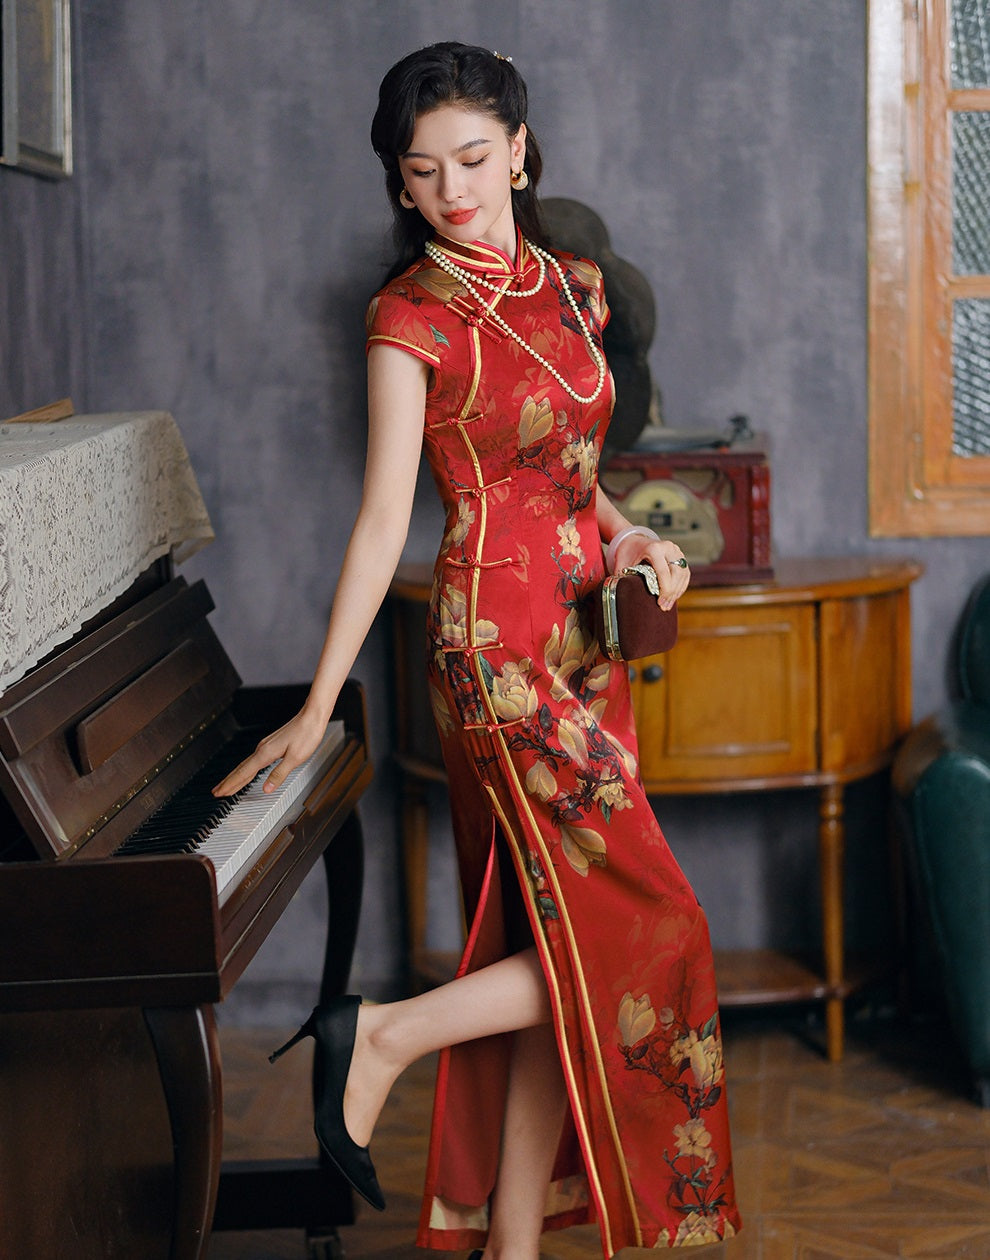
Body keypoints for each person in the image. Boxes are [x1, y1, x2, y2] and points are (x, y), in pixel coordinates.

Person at [214, 41, 741, 1258]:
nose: (452, 189)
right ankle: (384, 1034)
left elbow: (578, 478)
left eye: (471, 158)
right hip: (492, 653)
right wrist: (319, 702)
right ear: (399, 186)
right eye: (421, 171)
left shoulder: (578, 287)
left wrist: (627, 546)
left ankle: (510, 1240)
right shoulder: (410, 317)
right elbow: (381, 522)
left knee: (532, 927)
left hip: (587, 647)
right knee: (648, 933)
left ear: (518, 148)